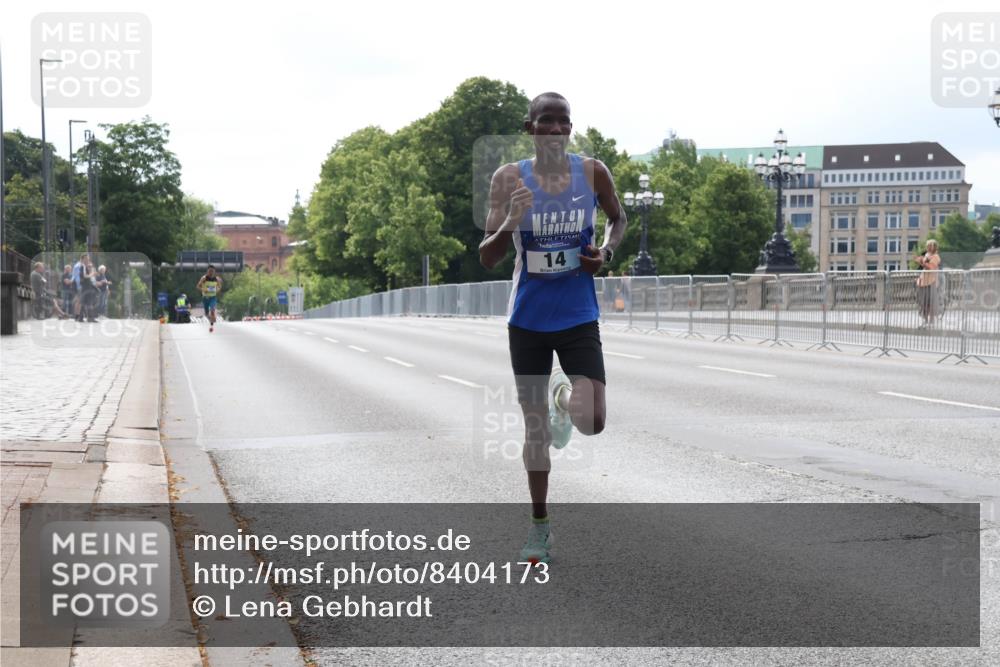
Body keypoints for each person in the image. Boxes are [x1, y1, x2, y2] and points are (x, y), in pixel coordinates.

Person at [479, 92, 627, 564]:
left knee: (593, 421)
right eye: (547, 121)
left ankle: (565, 397)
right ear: (531, 129)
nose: (557, 130)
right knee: (535, 430)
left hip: (578, 312)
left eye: (564, 122)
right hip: (527, 320)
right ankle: (539, 526)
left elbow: (618, 219)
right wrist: (511, 223)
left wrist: (604, 253)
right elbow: (487, 255)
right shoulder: (509, 179)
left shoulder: (592, 173)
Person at [914, 239, 941, 328]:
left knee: (931, 302)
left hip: (931, 281)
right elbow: (923, 266)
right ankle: (925, 321)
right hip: (923, 281)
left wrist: (922, 262)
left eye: (930, 245)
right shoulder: (926, 255)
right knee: (922, 302)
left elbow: (931, 267)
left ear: (934, 247)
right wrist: (920, 262)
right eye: (927, 245)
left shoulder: (936, 257)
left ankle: (931, 322)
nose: (928, 247)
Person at [196, 264, 222, 332]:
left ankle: (212, 326)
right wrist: (203, 289)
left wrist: (217, 290)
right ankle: (211, 321)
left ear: (214, 271)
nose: (211, 272)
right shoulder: (204, 278)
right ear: (207, 271)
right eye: (210, 271)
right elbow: (198, 286)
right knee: (207, 314)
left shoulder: (216, 279)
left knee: (213, 311)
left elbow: (219, 286)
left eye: (212, 271)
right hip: (205, 298)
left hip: (213, 297)